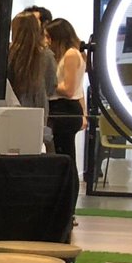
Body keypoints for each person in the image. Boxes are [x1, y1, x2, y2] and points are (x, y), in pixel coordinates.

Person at [7, 12, 57, 147]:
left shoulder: (7, 55)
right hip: (38, 114)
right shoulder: (46, 56)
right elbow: (51, 86)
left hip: (9, 114)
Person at [46, 18, 87, 166]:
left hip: (64, 108)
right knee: (63, 152)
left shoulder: (71, 54)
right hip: (65, 108)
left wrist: (48, 84)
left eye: (48, 36)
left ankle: (69, 186)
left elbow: (69, 89)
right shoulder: (70, 54)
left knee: (65, 155)